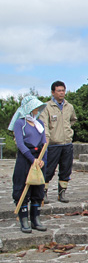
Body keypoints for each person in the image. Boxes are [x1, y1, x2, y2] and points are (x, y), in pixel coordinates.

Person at [12, 96, 48, 233]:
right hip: (26, 158)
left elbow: (44, 142)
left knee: (38, 188)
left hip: (38, 158)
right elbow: (20, 144)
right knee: (22, 187)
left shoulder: (39, 123)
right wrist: (31, 159)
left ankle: (35, 219)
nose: (37, 109)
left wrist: (42, 158)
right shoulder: (20, 123)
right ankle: (24, 220)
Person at [39, 81, 77, 203]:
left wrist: (67, 131)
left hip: (67, 143)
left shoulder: (69, 106)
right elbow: (44, 124)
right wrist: (47, 137)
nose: (62, 93)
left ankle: (62, 193)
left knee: (66, 169)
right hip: (53, 143)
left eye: (63, 90)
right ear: (53, 92)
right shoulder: (46, 107)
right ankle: (43, 193)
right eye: (59, 91)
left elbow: (73, 119)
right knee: (48, 169)